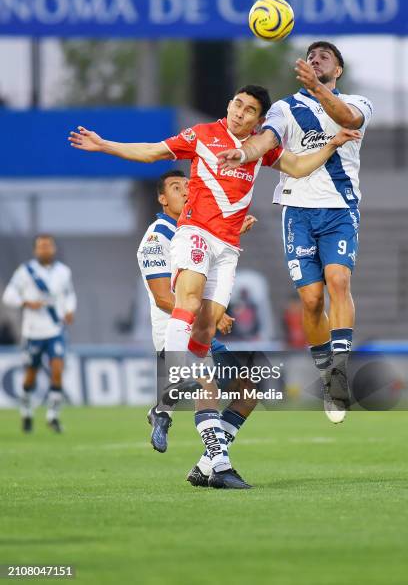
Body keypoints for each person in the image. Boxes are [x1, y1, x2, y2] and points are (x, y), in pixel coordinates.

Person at [69, 84, 360, 487]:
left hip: (228, 247)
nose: (240, 112)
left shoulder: (260, 148)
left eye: (249, 109)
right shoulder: (202, 135)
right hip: (195, 234)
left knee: (206, 329)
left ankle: (177, 424)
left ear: (259, 119)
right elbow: (153, 151)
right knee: (187, 302)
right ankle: (176, 382)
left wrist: (332, 144)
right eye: (236, 104)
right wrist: (105, 146)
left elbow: (295, 167)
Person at [217, 42, 373, 424]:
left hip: (339, 208)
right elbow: (267, 139)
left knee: (338, 280)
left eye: (325, 57)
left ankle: (338, 371)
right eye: (312, 55)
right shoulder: (285, 108)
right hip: (297, 210)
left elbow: (347, 119)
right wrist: (244, 153)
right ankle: (326, 370)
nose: (316, 59)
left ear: (337, 70)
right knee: (310, 299)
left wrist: (319, 89)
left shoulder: (359, 102)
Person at [137, 168, 258, 487]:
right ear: (163, 199)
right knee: (209, 390)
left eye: (190, 186)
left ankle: (203, 464)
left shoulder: (196, 231)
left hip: (200, 330)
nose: (187, 192)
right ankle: (221, 467)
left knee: (248, 391)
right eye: (177, 188)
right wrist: (213, 314)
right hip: (175, 334)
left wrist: (231, 235)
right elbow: (165, 298)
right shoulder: (156, 238)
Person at [2, 235, 76, 433]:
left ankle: (53, 416)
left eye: (48, 246)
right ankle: (26, 410)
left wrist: (69, 310)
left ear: (53, 249)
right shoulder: (25, 272)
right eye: (41, 247)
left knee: (58, 370)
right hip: (33, 332)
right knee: (30, 376)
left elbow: (69, 295)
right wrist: (26, 303)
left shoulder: (63, 271)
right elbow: (8, 296)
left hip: (55, 330)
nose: (45, 250)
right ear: (36, 250)